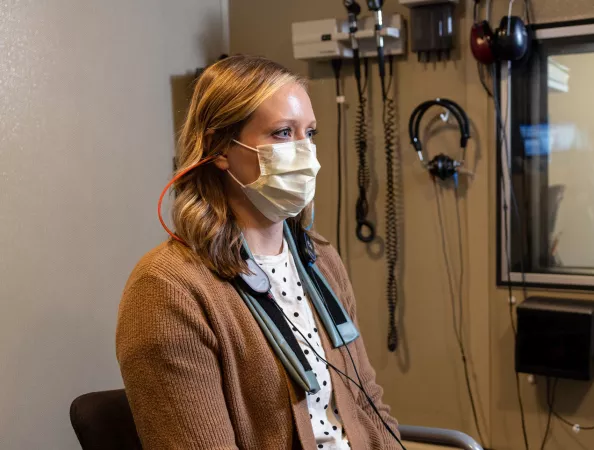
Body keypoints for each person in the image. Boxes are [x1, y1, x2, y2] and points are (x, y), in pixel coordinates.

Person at [116, 55, 402, 449]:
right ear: (219, 148)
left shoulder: (319, 260)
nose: (304, 152)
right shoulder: (169, 290)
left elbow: (370, 407)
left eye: (310, 133)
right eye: (283, 133)